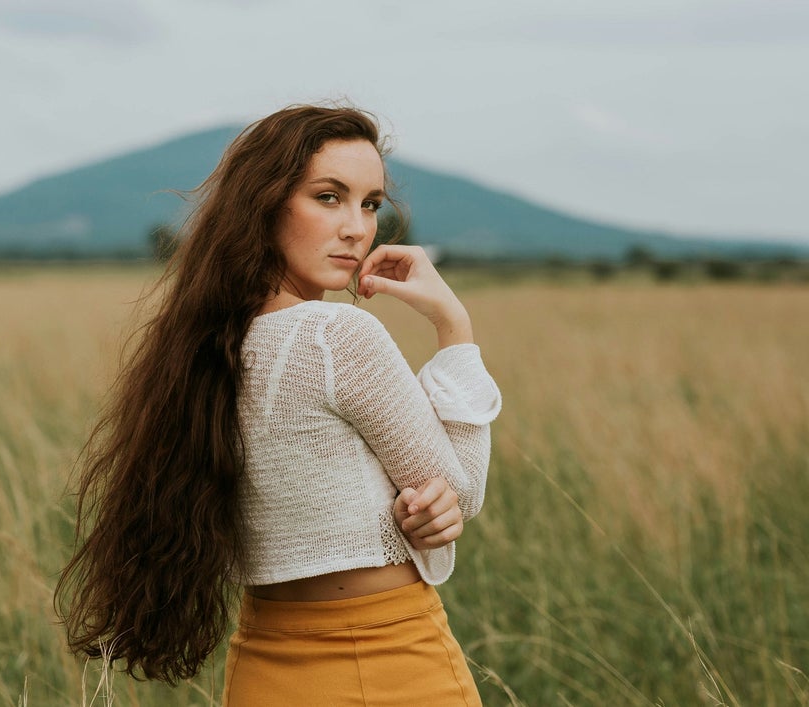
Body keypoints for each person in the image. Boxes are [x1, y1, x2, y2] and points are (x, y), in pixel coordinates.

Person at [55, 104, 502, 705]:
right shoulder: (335, 334)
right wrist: (454, 324)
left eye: (370, 204)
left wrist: (432, 510)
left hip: (263, 667)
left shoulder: (203, 347)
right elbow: (463, 490)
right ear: (264, 204)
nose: (357, 228)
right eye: (328, 197)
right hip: (391, 660)